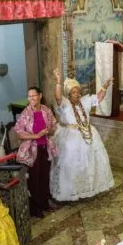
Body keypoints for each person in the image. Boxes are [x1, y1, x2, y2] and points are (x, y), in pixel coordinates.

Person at [50, 69, 115, 202]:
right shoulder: (65, 104)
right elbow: (57, 97)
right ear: (68, 94)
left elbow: (99, 97)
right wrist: (58, 81)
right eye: (74, 92)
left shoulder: (85, 101)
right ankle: (72, 191)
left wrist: (105, 86)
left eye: (78, 91)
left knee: (90, 162)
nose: (77, 94)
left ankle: (89, 188)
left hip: (88, 134)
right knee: (72, 163)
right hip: (71, 137)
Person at [14, 87, 58, 219]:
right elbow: (19, 133)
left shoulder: (46, 110)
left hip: (45, 148)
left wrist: (49, 131)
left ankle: (45, 203)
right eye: (29, 96)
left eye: (34, 96)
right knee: (34, 179)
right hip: (31, 150)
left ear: (40, 96)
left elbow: (53, 127)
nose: (31, 98)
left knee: (44, 176)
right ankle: (36, 207)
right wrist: (36, 136)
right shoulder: (26, 113)